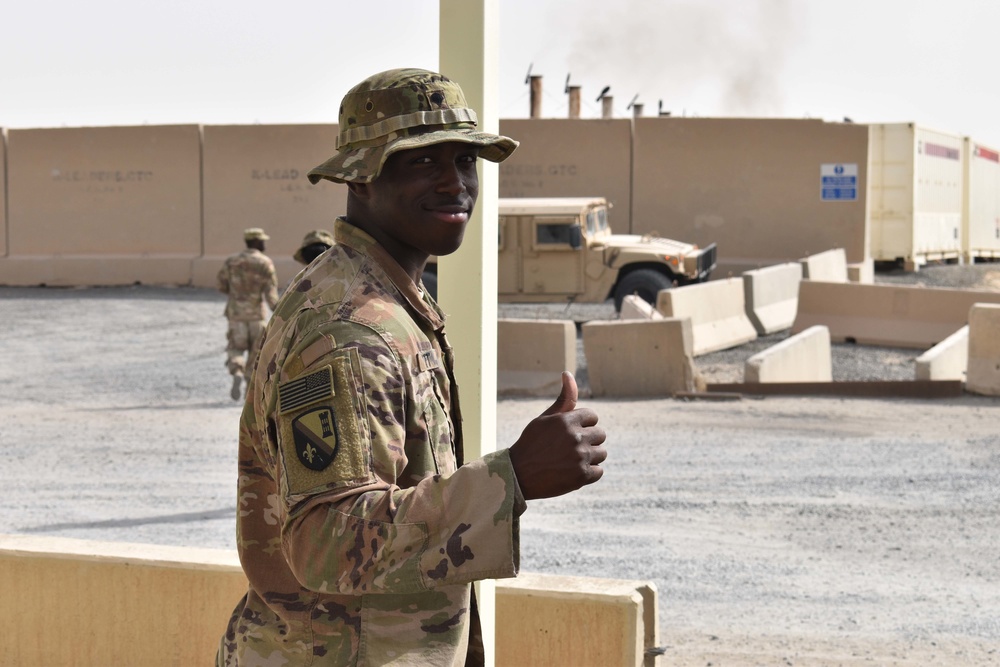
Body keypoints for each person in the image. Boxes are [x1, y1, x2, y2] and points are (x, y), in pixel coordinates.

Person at [217, 68, 608, 666]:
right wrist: (514, 476)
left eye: (464, 161)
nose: (455, 184)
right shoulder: (350, 328)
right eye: (423, 162)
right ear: (362, 178)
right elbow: (328, 539)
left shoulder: (386, 297)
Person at [216, 227, 279, 401]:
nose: (265, 243)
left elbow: (221, 285)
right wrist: (281, 312)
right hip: (256, 316)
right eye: (263, 240)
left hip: (236, 314)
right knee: (256, 354)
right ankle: (249, 390)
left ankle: (236, 371)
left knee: (235, 348)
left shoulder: (232, 261)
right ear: (257, 242)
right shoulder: (265, 263)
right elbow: (271, 295)